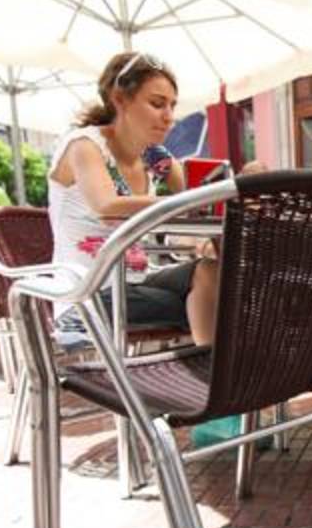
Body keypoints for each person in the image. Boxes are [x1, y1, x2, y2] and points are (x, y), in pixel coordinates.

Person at [47, 51, 218, 346]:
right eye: (156, 104)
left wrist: (217, 198)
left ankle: (215, 377)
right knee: (222, 301)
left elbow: (197, 200)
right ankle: (215, 376)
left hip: (137, 283)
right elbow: (106, 206)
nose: (169, 117)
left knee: (214, 275)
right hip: (86, 293)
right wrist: (189, 201)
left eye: (172, 106)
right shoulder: (85, 145)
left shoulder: (154, 156)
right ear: (120, 99)